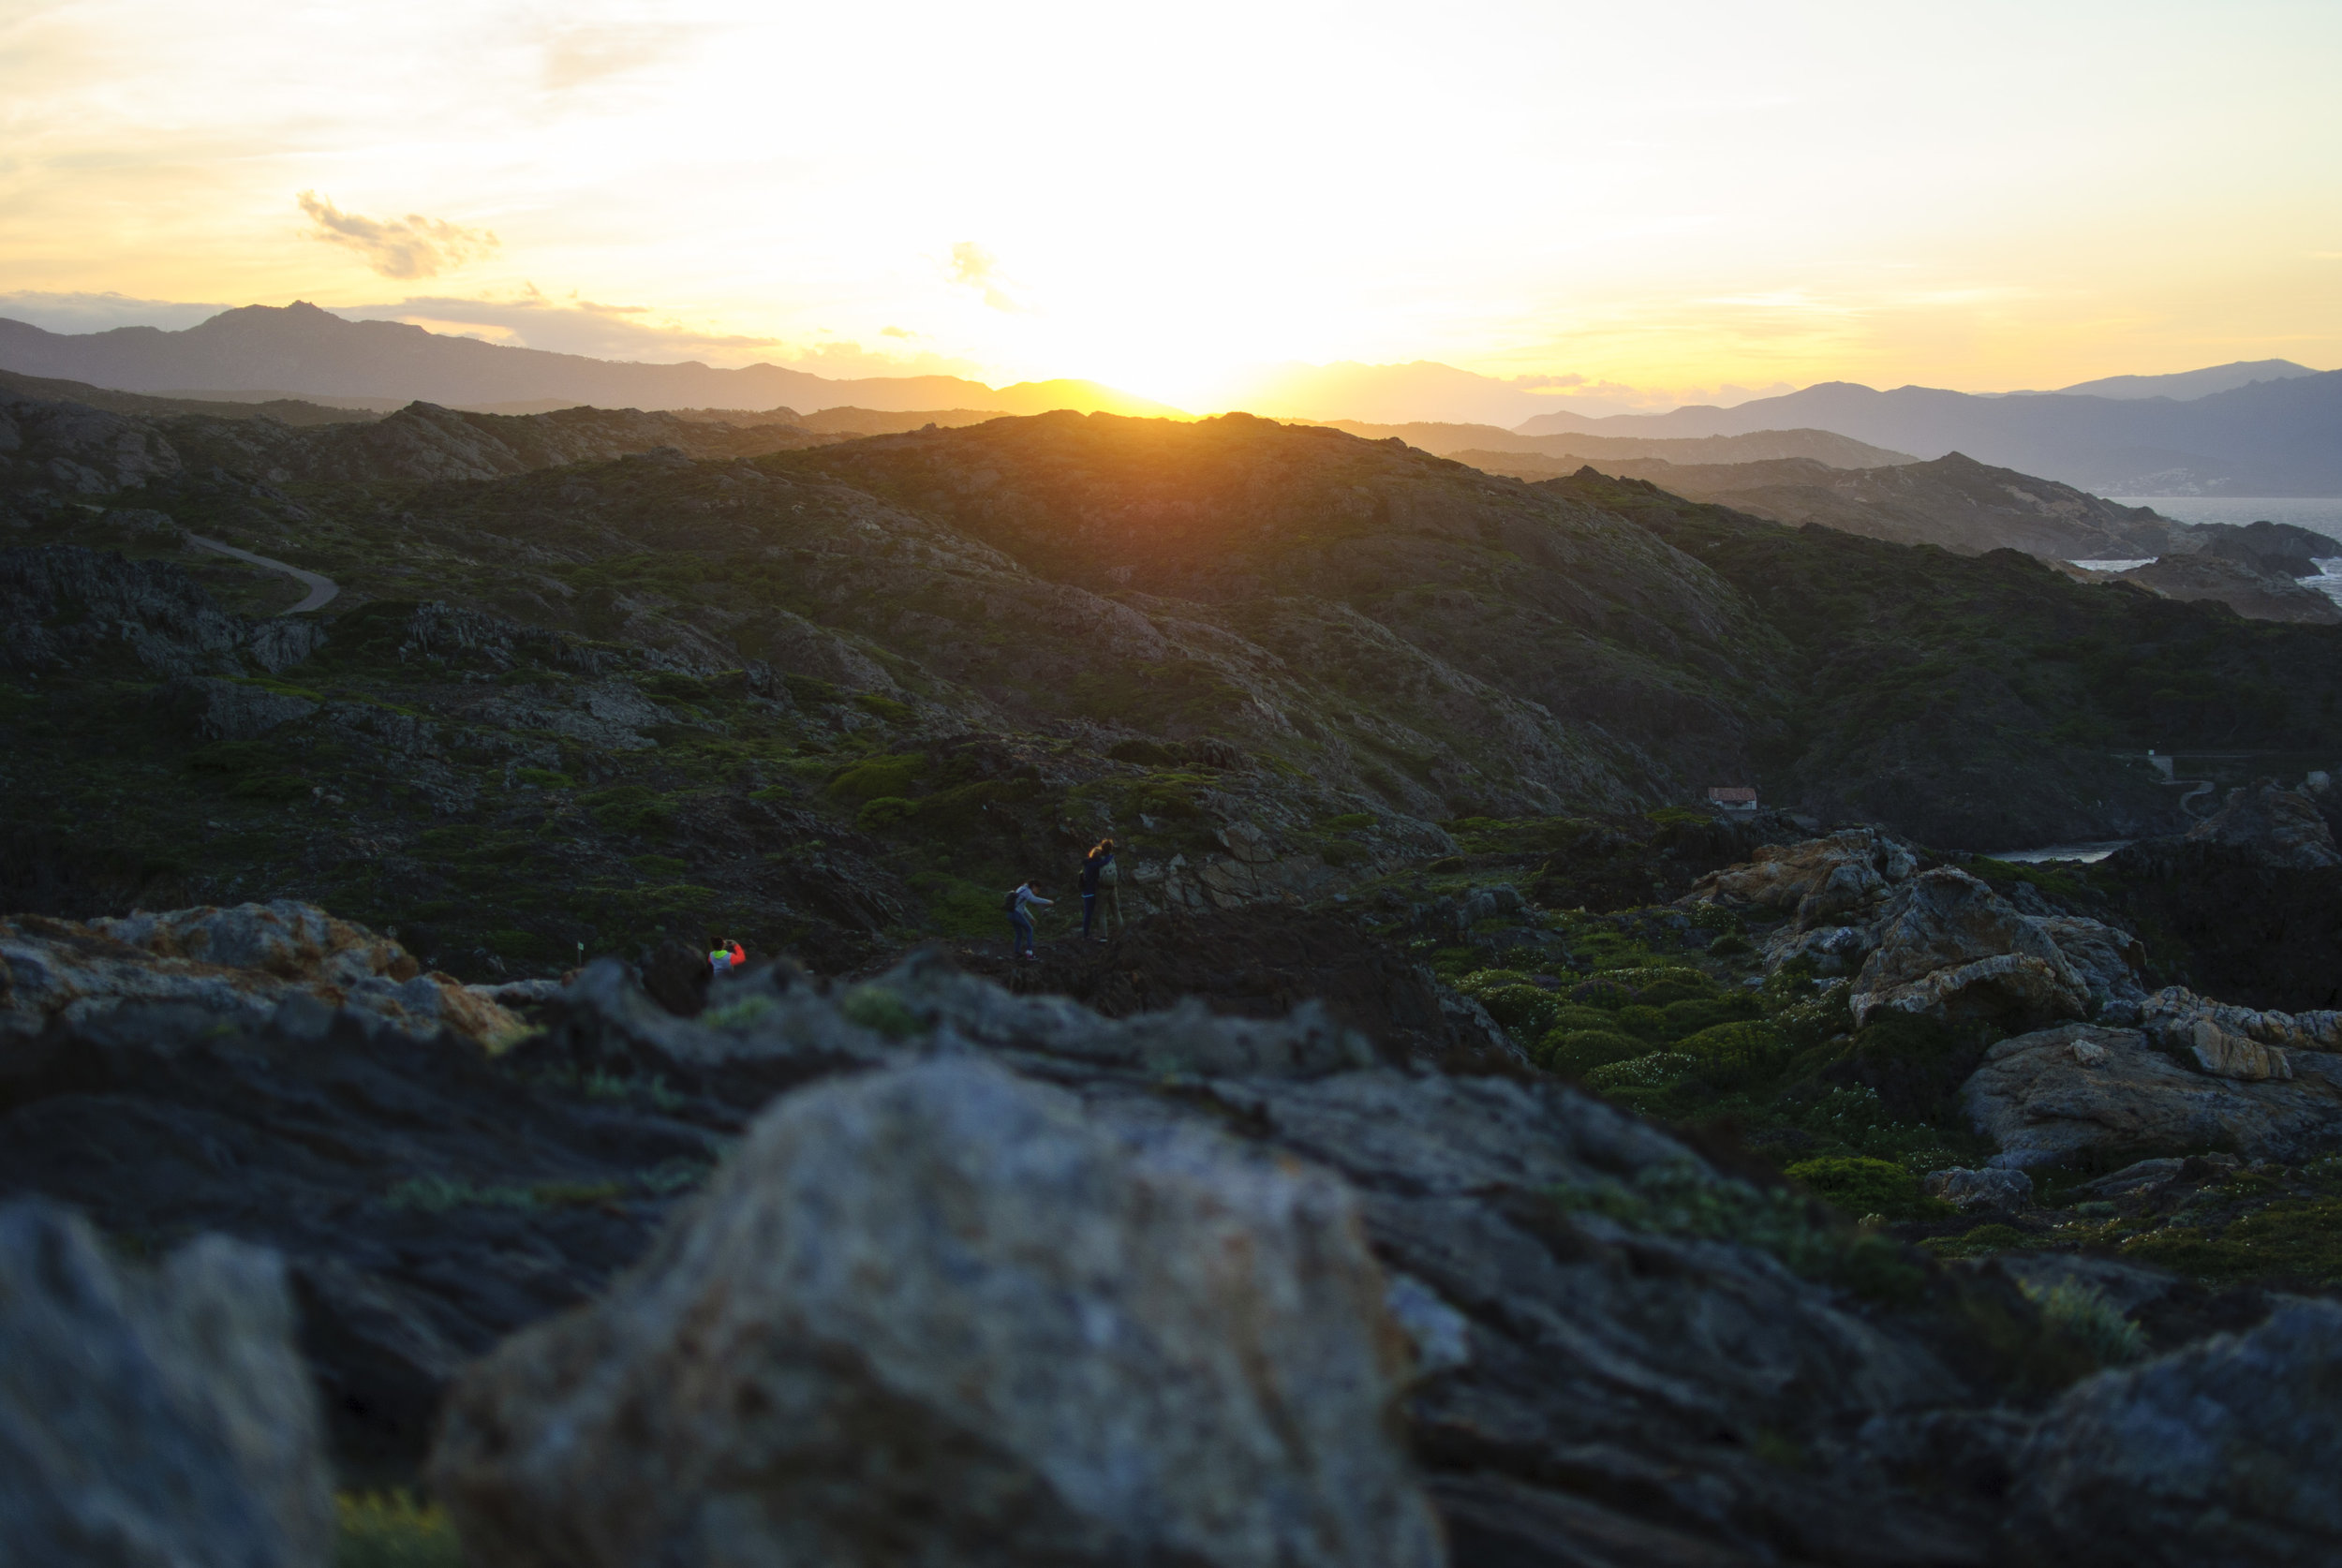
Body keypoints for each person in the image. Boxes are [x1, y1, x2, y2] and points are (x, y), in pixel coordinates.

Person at [1078, 837, 1116, 941]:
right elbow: (1103, 863)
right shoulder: (1093, 865)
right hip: (1090, 892)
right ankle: (1085, 935)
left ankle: (1086, 934)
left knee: (1088, 913)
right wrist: (1110, 856)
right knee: (1088, 914)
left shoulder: (1088, 864)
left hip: (1086, 892)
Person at [1004, 880, 1049, 960]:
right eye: (1038, 889)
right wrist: (1047, 901)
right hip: (1016, 914)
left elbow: (1022, 907)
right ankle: (1029, 954)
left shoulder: (1021, 889)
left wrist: (1031, 917)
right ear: (1034, 886)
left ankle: (1017, 953)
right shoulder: (1027, 891)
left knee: (1019, 933)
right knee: (1029, 930)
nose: (1037, 891)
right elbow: (1034, 899)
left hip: (1010, 913)